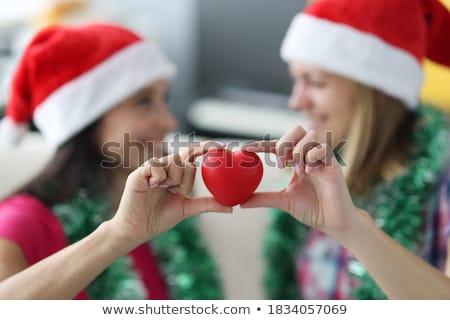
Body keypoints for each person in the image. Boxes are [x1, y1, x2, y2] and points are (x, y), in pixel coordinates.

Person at [0, 23, 232, 299]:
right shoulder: (20, 224)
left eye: (164, 99)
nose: (168, 121)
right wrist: (119, 235)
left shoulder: (160, 213)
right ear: (85, 120)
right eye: (143, 101)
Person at [242, 0, 450, 299]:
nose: (296, 102)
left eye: (315, 82)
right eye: (296, 81)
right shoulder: (317, 170)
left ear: (372, 91)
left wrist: (352, 229)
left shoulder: (443, 180)